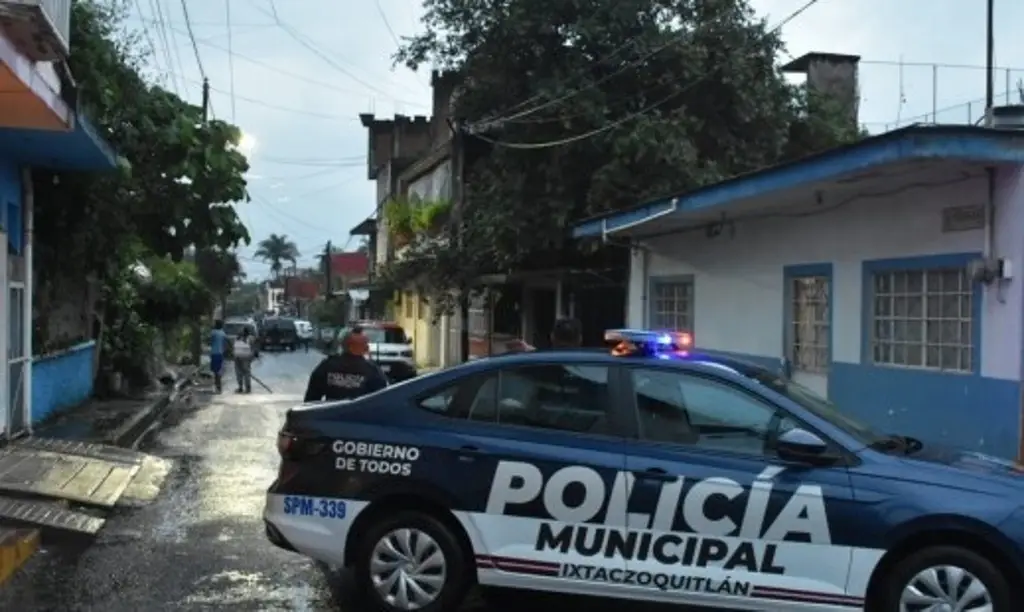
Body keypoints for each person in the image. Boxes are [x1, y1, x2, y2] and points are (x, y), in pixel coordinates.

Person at [303, 329, 388, 402]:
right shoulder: (372, 370)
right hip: (359, 418)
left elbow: (311, 400)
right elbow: (381, 400)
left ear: (343, 346)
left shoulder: (327, 366)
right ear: (365, 349)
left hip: (331, 415)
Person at [233, 327, 258, 393]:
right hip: (244, 358)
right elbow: (254, 349)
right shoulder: (250, 338)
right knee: (245, 373)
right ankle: (247, 388)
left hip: (239, 357)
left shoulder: (239, 338)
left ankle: (242, 387)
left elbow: (235, 348)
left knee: (240, 373)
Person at [210, 319, 227, 393]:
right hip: (220, 354)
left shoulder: (213, 332)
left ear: (216, 325)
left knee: (215, 372)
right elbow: (225, 343)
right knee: (218, 371)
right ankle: (218, 387)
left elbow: (210, 341)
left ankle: (218, 387)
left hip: (214, 353)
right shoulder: (223, 333)